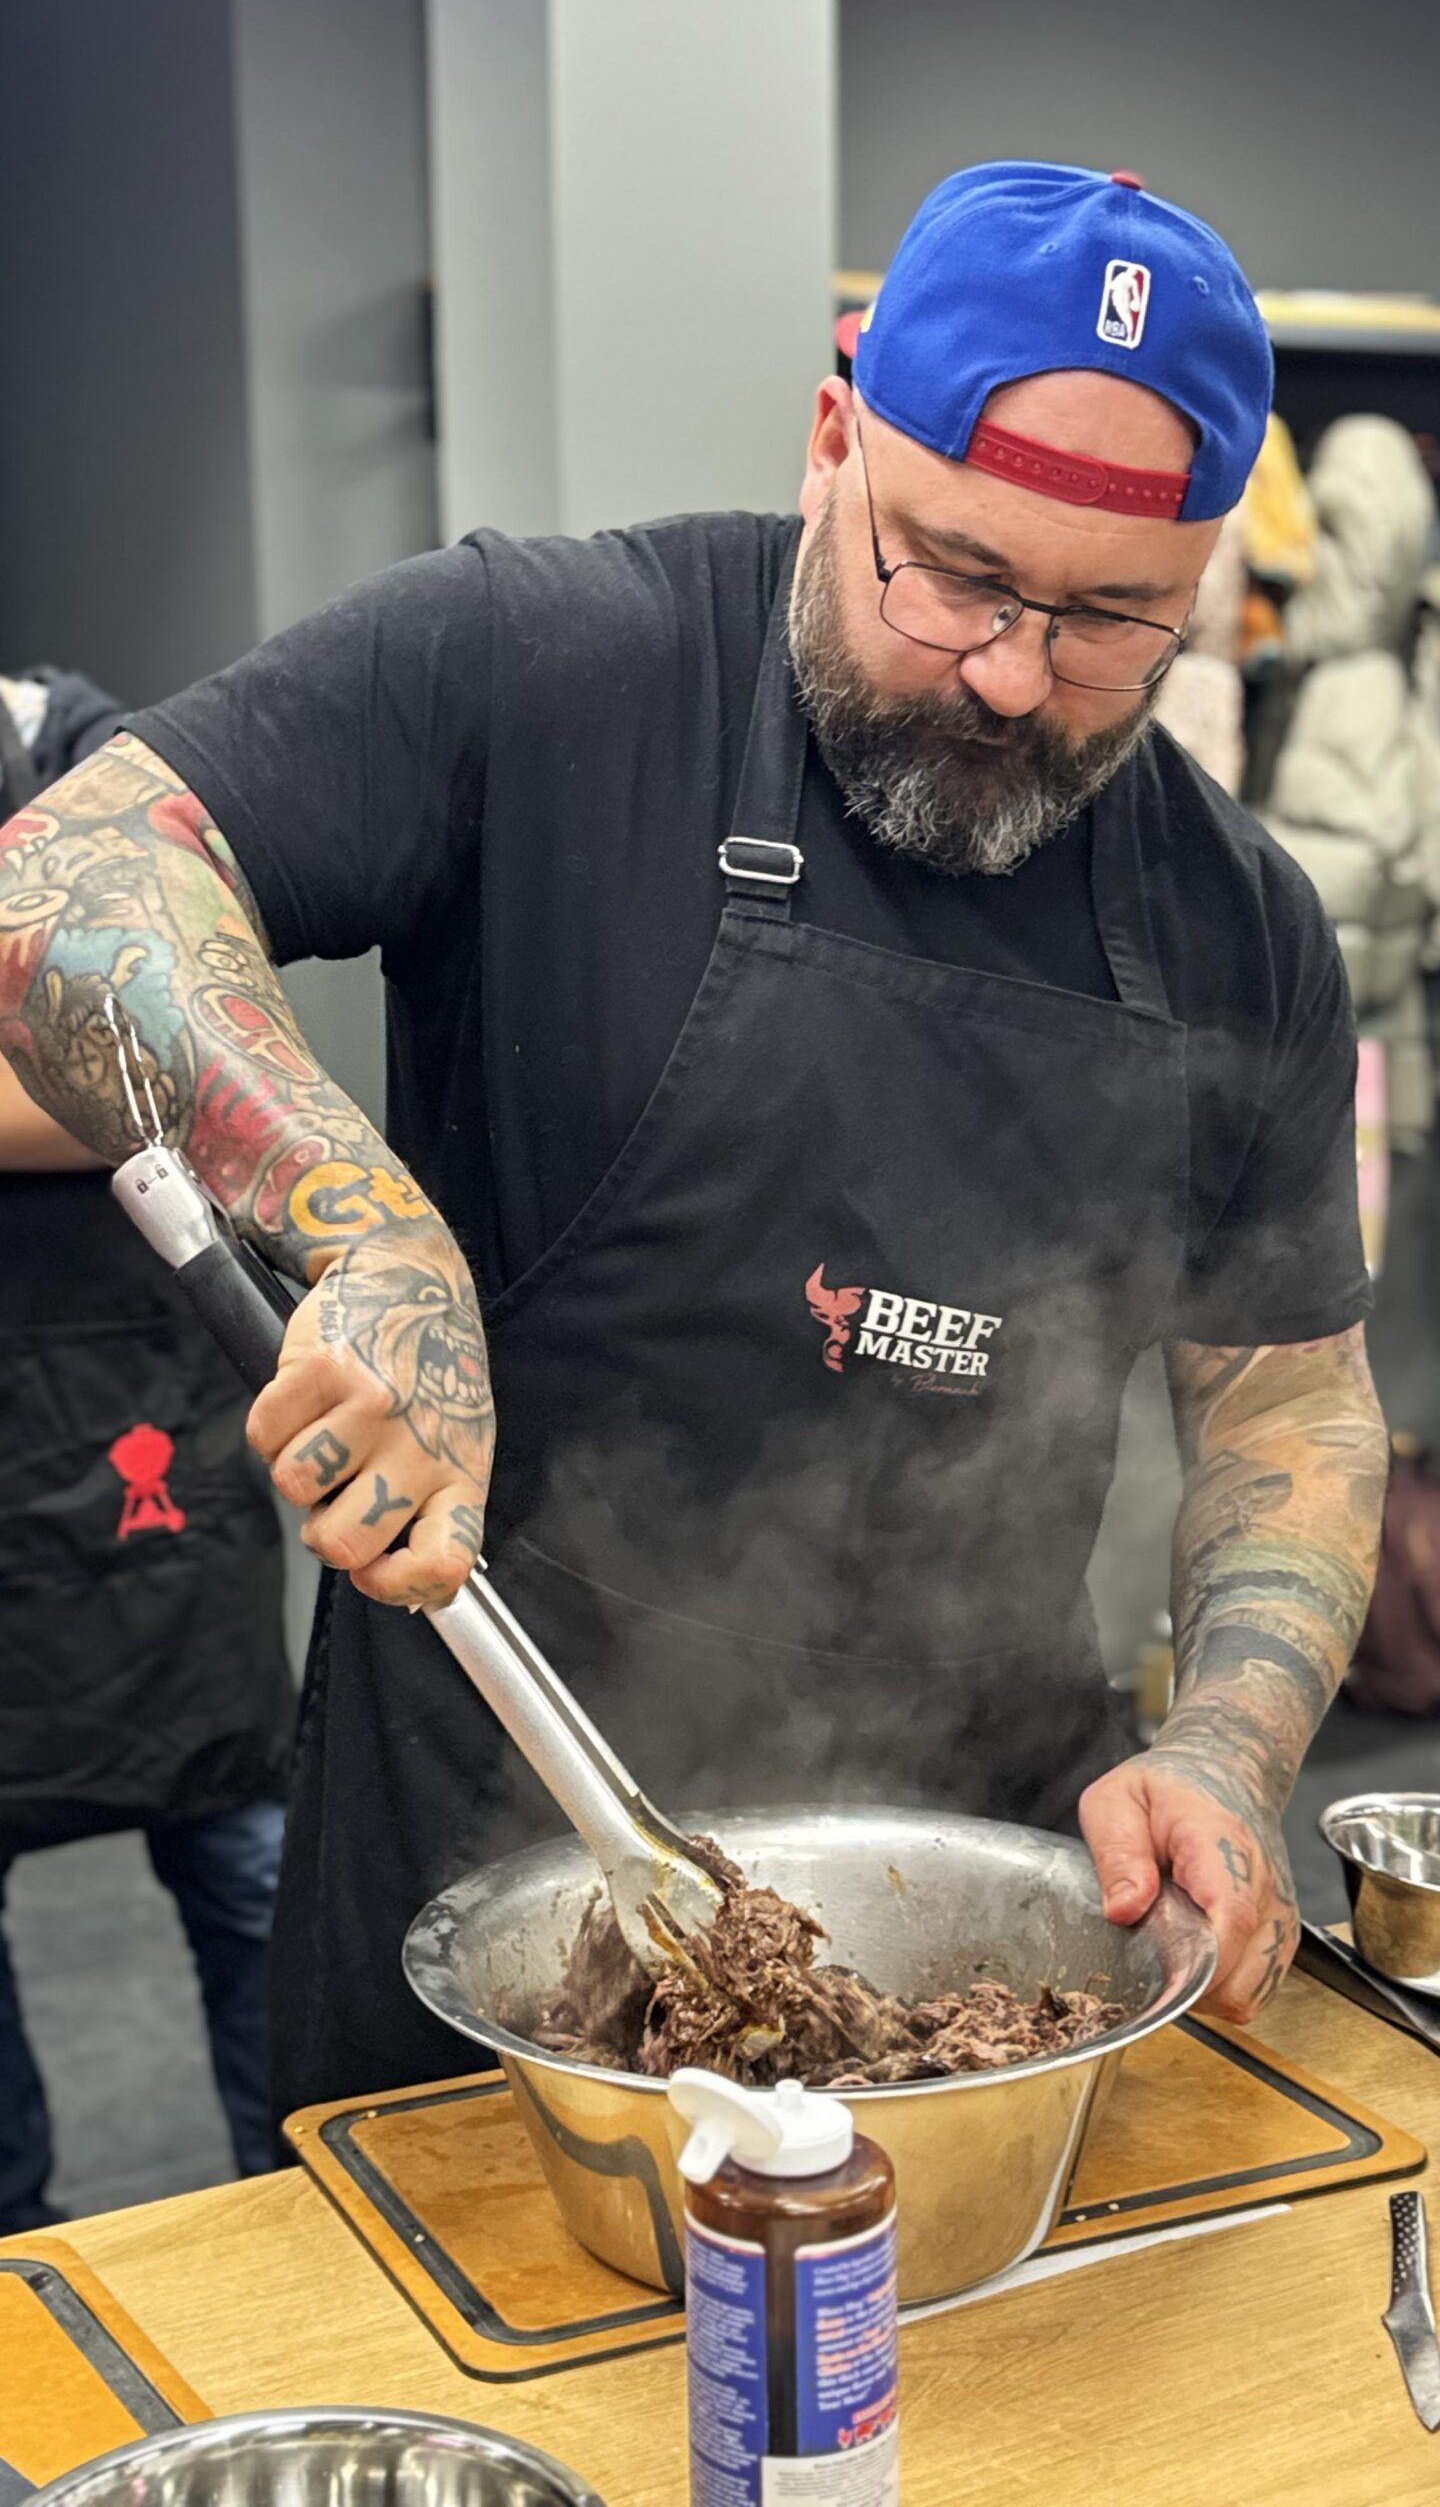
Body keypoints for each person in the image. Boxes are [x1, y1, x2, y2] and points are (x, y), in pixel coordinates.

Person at [0, 163, 1387, 2123]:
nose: (1012, 670)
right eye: (955, 573)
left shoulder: (1237, 922)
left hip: (990, 1895)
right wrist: (367, 1228)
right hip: (491, 1857)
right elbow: (66, 874)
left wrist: (1232, 1743)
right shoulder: (548, 665)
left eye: (1107, 621)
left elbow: (1291, 1407)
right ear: (833, 444)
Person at [0, 668, 294, 2231]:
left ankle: (305, 2224)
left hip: (144, 1422)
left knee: (246, 1866)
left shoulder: (99, 764)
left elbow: (165, 1076)